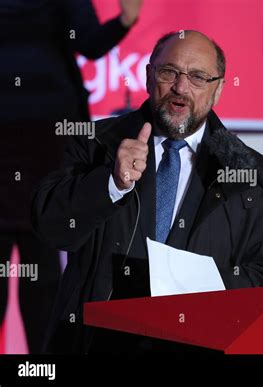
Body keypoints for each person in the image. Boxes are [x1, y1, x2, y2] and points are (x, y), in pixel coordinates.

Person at [31, 30, 263, 354]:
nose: (181, 88)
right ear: (148, 76)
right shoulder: (95, 144)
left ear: (218, 89)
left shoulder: (253, 175)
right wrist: (111, 183)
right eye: (168, 72)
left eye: (198, 77)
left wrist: (198, 292)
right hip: (96, 347)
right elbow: (50, 226)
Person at [0, 0, 142, 353]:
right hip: (37, 127)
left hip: (46, 132)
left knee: (43, 250)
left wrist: (126, 20)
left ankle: (42, 365)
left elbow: (90, 42)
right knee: (39, 252)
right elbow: (89, 43)